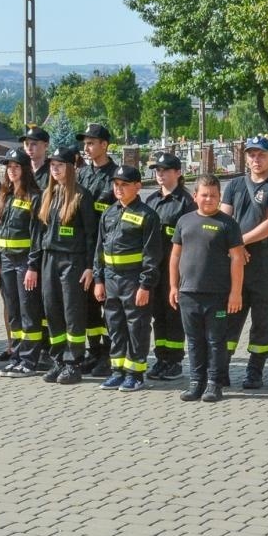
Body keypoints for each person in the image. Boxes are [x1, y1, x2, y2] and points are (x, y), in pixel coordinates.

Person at [220, 134, 268, 390]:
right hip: (238, 261)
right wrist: (234, 247)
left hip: (267, 262)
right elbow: (223, 219)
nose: (256, 159)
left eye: (261, 154)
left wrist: (239, 243)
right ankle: (221, 368)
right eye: (251, 154)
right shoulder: (235, 185)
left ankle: (255, 370)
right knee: (229, 316)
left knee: (264, 317)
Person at [169, 174, 245, 403]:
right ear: (195, 196)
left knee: (215, 340)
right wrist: (173, 286)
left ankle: (214, 383)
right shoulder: (184, 221)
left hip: (218, 295)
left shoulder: (227, 224)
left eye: (213, 196)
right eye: (204, 195)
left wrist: (236, 292)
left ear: (220, 198)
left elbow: (237, 259)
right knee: (193, 341)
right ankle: (196, 381)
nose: (209, 199)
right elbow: (175, 255)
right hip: (188, 293)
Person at [93, 164, 165, 392]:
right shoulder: (109, 212)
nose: (119, 189)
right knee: (115, 326)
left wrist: (145, 285)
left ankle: (135, 373)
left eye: (124, 185)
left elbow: (152, 256)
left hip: (134, 281)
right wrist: (98, 280)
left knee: (137, 327)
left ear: (138, 187)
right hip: (111, 280)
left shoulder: (147, 215)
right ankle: (118, 371)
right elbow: (99, 250)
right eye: (116, 184)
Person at [33, 145, 97, 385]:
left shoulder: (81, 196)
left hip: (73, 260)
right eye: (52, 165)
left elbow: (92, 235)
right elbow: (39, 231)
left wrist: (90, 266)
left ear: (70, 167)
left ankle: (73, 362)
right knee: (52, 310)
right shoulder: (47, 194)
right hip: (50, 258)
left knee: (72, 312)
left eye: (59, 165)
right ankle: (58, 358)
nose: (55, 169)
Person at [0, 148, 46, 377]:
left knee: (28, 310)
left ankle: (31, 359)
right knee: (13, 311)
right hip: (5, 261)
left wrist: (33, 266)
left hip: (24, 263)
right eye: (9, 167)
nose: (11, 171)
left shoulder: (34, 197)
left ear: (24, 169)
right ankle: (17, 355)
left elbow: (37, 236)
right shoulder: (2, 195)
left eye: (16, 167)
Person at [144, 151, 195, 381]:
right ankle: (161, 358)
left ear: (178, 173)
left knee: (173, 315)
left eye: (165, 170)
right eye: (157, 170)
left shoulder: (186, 202)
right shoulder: (152, 200)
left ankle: (174, 360)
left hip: (175, 270)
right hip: (154, 267)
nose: (160, 174)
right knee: (158, 315)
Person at [76, 123, 119, 376]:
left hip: (107, 246)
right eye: (85, 143)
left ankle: (110, 352)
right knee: (89, 305)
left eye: (92, 143)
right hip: (84, 248)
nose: (87, 147)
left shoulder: (116, 175)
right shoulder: (82, 174)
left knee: (109, 306)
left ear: (105, 145)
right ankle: (94, 351)